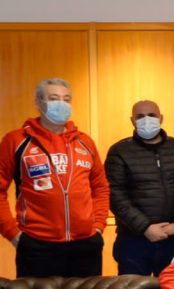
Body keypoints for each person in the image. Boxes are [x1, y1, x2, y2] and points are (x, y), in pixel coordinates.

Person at [0, 77, 109, 277]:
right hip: (37, 246)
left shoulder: (85, 142)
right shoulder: (16, 140)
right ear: (38, 102)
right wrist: (13, 234)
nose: (61, 103)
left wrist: (99, 227)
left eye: (66, 99)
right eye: (53, 98)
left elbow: (100, 187)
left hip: (86, 246)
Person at [106, 100, 174, 276]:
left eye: (151, 115)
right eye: (140, 116)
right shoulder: (119, 151)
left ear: (161, 118)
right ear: (132, 120)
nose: (146, 120)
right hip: (134, 240)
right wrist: (145, 228)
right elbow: (115, 195)